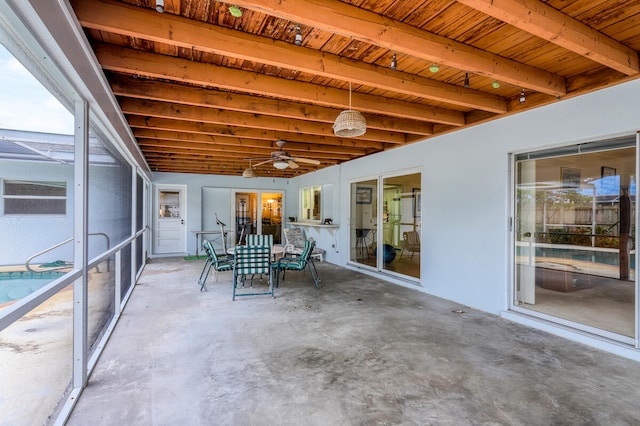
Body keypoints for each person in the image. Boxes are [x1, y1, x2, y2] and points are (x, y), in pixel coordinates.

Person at [619, 185, 631, 280]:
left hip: (624, 230)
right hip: (624, 229)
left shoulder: (625, 199)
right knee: (623, 251)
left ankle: (624, 275)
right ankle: (624, 275)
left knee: (624, 251)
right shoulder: (625, 199)